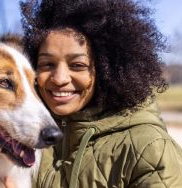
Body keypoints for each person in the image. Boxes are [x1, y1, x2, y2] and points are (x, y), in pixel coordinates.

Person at [19, 0, 182, 187]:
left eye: (77, 65)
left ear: (107, 71)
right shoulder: (25, 137)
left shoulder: (150, 148)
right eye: (47, 64)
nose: (59, 78)